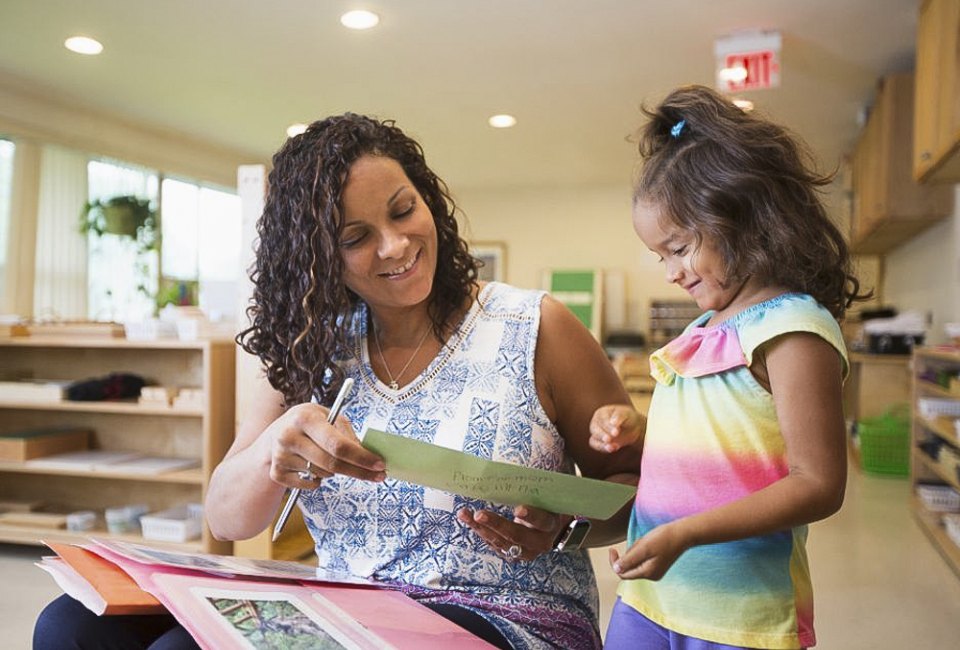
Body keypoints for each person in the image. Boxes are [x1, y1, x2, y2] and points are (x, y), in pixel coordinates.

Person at [32, 113, 643, 650]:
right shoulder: (306, 343)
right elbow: (228, 516)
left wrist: (566, 526)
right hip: (344, 605)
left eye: (404, 210)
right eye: (356, 238)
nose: (397, 244)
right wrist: (274, 454)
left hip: (507, 616)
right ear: (318, 257)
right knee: (71, 626)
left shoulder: (536, 325)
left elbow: (640, 488)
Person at [590, 85, 871, 650]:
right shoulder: (700, 332)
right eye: (659, 256)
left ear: (742, 217)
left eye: (679, 248)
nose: (670, 272)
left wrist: (685, 535)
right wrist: (633, 425)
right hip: (651, 598)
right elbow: (717, 437)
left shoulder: (791, 328)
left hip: (741, 619)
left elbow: (819, 484)